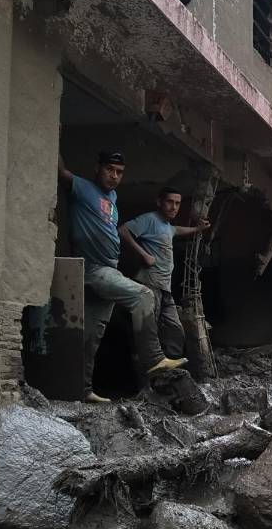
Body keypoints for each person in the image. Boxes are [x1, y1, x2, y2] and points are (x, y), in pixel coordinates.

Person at [59, 152, 186, 403]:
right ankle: (153, 359)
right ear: (97, 169)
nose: (114, 176)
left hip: (109, 269)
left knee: (90, 337)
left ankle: (81, 390)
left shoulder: (113, 197)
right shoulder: (84, 188)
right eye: (109, 170)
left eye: (119, 172)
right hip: (94, 268)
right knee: (143, 296)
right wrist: (52, 134)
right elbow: (61, 173)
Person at [119, 187, 211, 361]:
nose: (174, 207)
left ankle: (169, 369)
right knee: (148, 332)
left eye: (177, 203)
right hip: (149, 285)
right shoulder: (150, 219)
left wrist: (198, 228)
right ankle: (146, 375)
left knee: (175, 330)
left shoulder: (167, 226)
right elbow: (123, 230)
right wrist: (144, 254)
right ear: (159, 202)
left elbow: (177, 230)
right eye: (170, 202)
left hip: (165, 288)